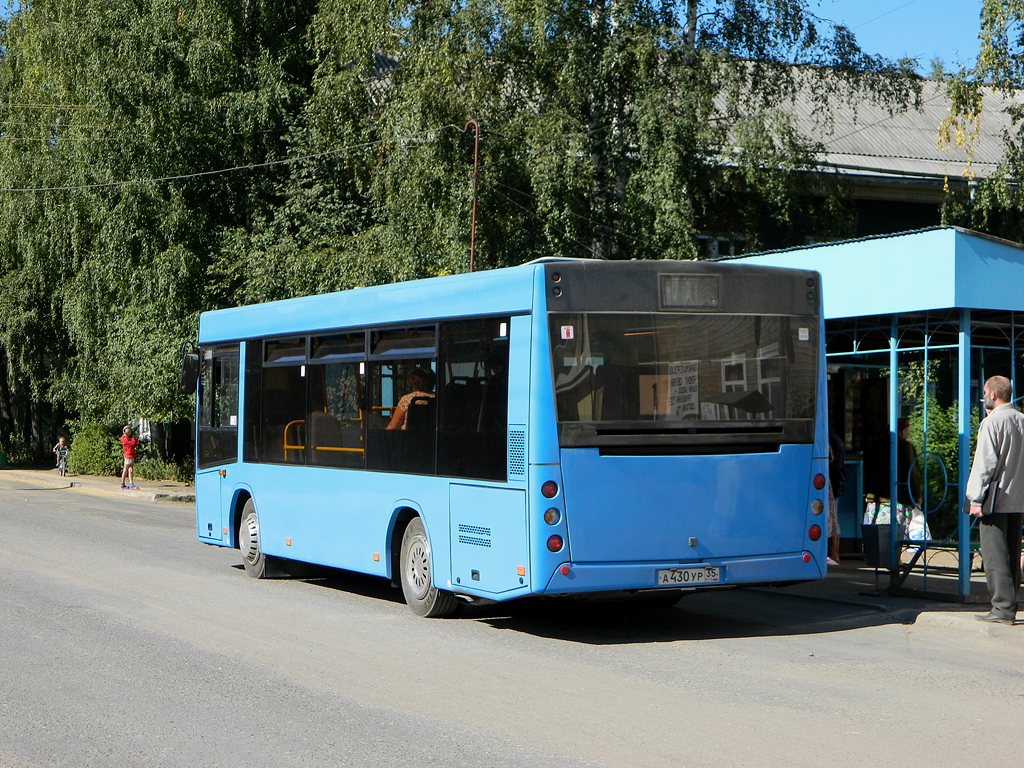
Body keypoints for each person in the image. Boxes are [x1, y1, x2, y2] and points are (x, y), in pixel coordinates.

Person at [966, 375, 1024, 625]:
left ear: (992, 394)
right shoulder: (1021, 420)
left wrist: (974, 498)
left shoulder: (991, 423)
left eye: (984, 393)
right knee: (1012, 550)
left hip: (995, 499)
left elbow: (985, 464)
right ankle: (1010, 604)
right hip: (1019, 498)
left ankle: (1001, 608)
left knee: (995, 555)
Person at [827, 429, 845, 565]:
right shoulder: (836, 438)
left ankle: (834, 553)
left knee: (831, 519)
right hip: (835, 485)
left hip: (830, 486)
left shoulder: (826, 438)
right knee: (835, 519)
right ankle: (835, 553)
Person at [120, 426, 138, 490]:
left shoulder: (127, 438)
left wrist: (134, 439)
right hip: (128, 455)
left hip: (131, 455)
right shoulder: (124, 439)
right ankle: (126, 484)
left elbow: (134, 444)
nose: (130, 432)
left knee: (129, 470)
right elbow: (132, 444)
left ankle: (128, 484)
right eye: (129, 431)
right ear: (125, 431)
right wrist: (134, 438)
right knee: (127, 469)